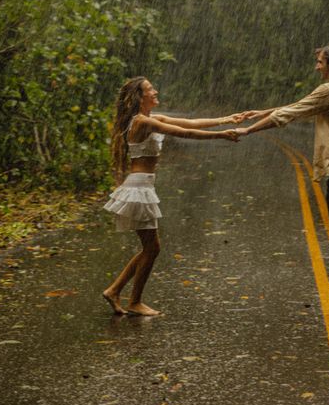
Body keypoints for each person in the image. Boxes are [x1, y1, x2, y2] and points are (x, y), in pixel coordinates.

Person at [236, 42, 329, 329]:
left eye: (320, 62)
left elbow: (290, 114)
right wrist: (260, 112)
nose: (317, 66)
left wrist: (248, 129)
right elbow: (304, 106)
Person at [102, 76, 242, 316]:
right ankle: (131, 300)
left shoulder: (151, 119)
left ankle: (115, 291)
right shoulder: (143, 122)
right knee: (152, 247)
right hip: (138, 190)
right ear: (140, 96)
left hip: (143, 187)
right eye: (150, 89)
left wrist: (225, 119)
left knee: (151, 247)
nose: (155, 91)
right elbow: (184, 133)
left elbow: (190, 123)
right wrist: (221, 135)